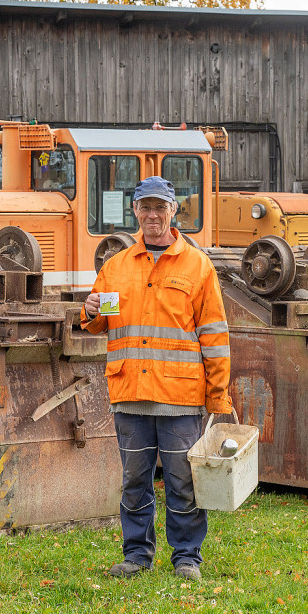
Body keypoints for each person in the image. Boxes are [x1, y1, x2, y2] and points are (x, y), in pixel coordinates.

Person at [82, 175, 231, 582]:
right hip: (130, 393)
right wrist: (91, 309)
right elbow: (95, 324)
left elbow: (215, 338)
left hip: (180, 397)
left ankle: (186, 557)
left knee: (183, 481)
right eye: (145, 207)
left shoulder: (198, 266)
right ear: (135, 212)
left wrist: (218, 396)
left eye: (159, 207)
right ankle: (136, 556)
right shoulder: (115, 267)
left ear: (173, 211)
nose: (152, 215)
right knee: (134, 481)